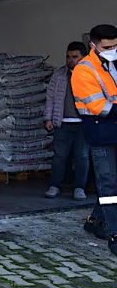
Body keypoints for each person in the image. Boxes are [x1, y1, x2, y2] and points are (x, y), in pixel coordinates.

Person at [72, 24, 117, 257]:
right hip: (100, 134)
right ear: (93, 45)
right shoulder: (83, 70)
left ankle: (95, 220)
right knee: (109, 185)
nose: (113, 49)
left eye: (116, 45)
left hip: (114, 131)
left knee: (110, 182)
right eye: (107, 47)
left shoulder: (112, 63)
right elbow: (101, 107)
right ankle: (115, 235)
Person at [43, 41, 89, 200]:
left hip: (84, 124)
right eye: (68, 56)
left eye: (75, 56)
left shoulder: (91, 75)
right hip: (62, 123)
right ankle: (55, 185)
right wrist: (48, 118)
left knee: (82, 156)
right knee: (59, 157)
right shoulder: (59, 75)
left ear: (84, 57)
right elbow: (50, 98)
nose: (71, 60)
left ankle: (79, 188)